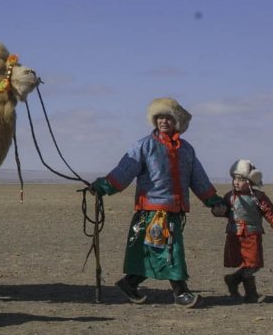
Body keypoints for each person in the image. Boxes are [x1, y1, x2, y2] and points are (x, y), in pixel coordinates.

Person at [90, 97, 226, 308]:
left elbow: (198, 178)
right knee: (170, 250)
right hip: (153, 211)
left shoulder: (186, 150)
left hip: (174, 210)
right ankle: (180, 293)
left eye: (168, 117)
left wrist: (212, 200)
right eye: (160, 117)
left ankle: (129, 283)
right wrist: (104, 186)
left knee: (155, 251)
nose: (163, 121)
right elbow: (125, 170)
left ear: (177, 122)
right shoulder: (144, 145)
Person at [216, 159, 273, 303]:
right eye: (234, 179)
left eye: (241, 179)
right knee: (246, 263)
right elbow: (224, 211)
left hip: (252, 234)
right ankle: (251, 295)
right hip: (235, 235)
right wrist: (218, 210)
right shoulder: (229, 197)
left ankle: (233, 279)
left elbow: (267, 210)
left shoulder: (258, 197)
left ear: (250, 181)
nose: (236, 182)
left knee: (254, 263)